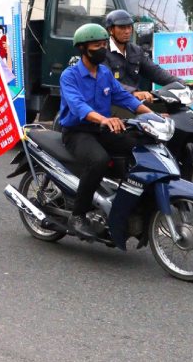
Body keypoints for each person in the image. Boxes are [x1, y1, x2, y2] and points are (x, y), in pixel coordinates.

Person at [58, 23, 154, 241]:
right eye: (96, 46)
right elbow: (78, 106)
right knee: (98, 160)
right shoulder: (69, 76)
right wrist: (104, 119)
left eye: (104, 45)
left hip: (102, 127)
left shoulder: (104, 72)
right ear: (83, 49)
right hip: (77, 131)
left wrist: (153, 115)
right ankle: (78, 215)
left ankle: (127, 200)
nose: (102, 49)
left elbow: (125, 98)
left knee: (138, 145)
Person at [104, 9, 180, 103]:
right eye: (122, 28)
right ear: (111, 30)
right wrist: (133, 92)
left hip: (136, 103)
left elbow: (155, 72)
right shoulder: (103, 53)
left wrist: (181, 83)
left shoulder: (136, 50)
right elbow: (107, 81)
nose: (127, 31)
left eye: (129, 27)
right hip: (113, 105)